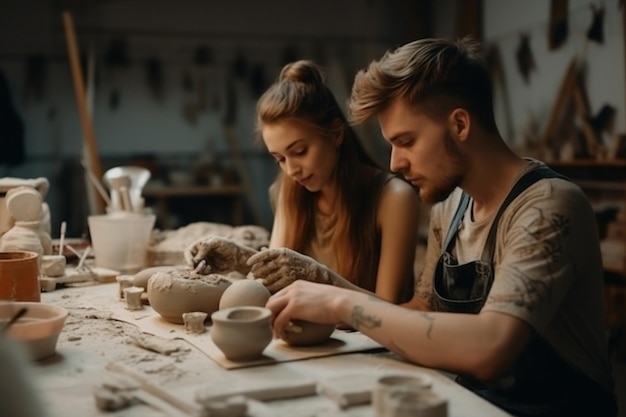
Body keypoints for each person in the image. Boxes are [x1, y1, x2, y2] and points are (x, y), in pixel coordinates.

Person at [249, 38, 617, 417]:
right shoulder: (453, 206)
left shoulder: (547, 205)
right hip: (476, 403)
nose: (394, 164)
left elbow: (491, 347)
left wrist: (340, 301)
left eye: (405, 141)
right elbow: (417, 311)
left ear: (459, 124)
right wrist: (323, 280)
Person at [185, 59, 419, 304]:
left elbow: (389, 310)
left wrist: (319, 276)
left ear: (336, 134)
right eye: (279, 159)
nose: (291, 170)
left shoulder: (393, 197)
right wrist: (239, 258)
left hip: (369, 339)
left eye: (299, 151)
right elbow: (274, 284)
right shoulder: (287, 190)